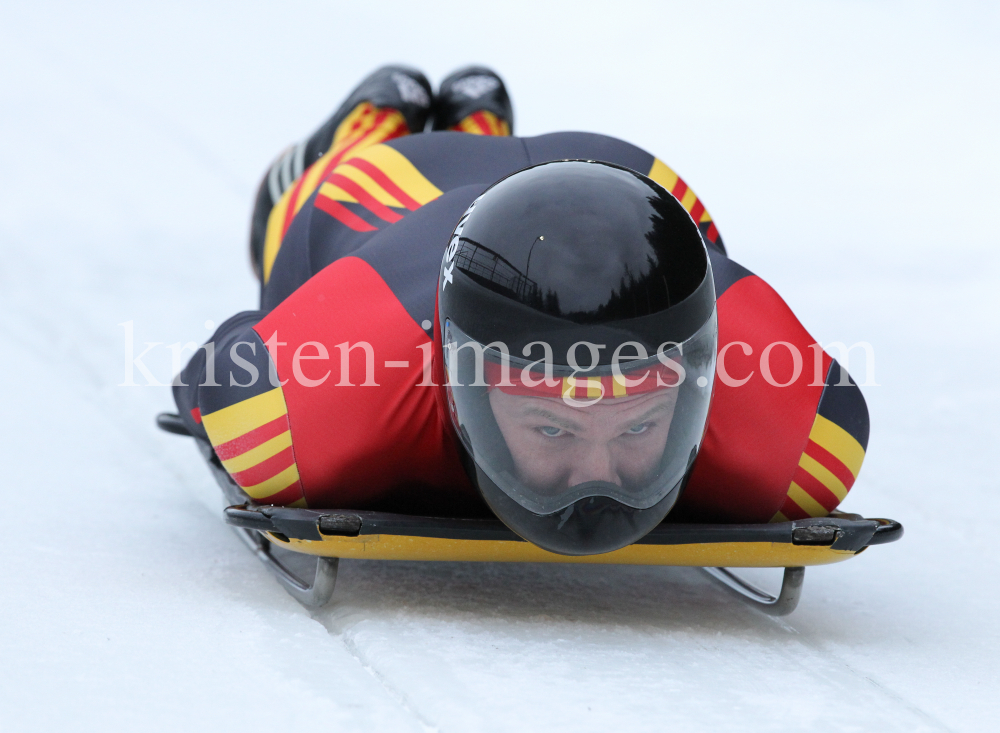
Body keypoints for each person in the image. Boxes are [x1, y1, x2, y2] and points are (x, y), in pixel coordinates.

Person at [173, 65, 870, 555]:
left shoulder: (803, 427)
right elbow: (227, 362)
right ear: (460, 382)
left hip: (646, 194)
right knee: (292, 238)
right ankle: (373, 126)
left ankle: (474, 120)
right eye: (553, 427)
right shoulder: (305, 401)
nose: (599, 478)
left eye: (641, 425)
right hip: (390, 189)